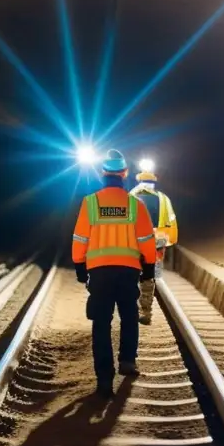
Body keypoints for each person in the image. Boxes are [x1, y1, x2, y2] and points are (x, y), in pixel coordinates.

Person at [72, 149, 157, 399]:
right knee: (129, 316)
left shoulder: (90, 203)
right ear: (125, 173)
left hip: (99, 272)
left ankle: (104, 380)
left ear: (103, 173)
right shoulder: (135, 205)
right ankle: (127, 362)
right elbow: (146, 240)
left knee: (101, 323)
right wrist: (149, 267)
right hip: (128, 270)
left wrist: (80, 267)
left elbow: (80, 239)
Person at [130, 160, 178, 325]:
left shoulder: (130, 197)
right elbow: (171, 221)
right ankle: (146, 312)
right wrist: (167, 241)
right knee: (149, 277)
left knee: (132, 277)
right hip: (154, 244)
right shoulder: (164, 199)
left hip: (133, 244)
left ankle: (132, 310)